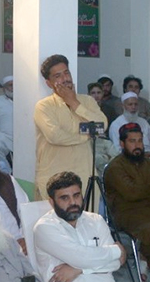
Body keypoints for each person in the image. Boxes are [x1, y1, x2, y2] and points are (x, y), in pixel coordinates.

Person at [103, 123, 150, 282]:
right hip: (126, 212)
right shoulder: (115, 167)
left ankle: (147, 255)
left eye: (140, 141)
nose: (137, 145)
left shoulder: (149, 163)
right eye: (132, 141)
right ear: (122, 144)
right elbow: (132, 193)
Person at [34, 55, 107, 198]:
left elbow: (101, 126)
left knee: (88, 220)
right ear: (49, 83)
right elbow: (55, 136)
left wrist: (74, 103)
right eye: (58, 76)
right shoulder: (44, 106)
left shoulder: (87, 101)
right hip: (54, 180)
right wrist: (86, 135)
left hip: (86, 178)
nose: (65, 78)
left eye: (66, 73)